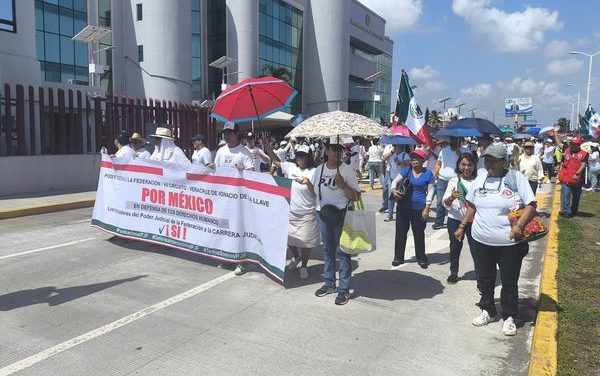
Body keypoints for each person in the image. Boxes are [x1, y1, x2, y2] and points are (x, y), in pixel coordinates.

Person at [455, 144, 537, 336]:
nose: (489, 163)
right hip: (481, 240)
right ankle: (488, 310)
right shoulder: (481, 177)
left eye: (494, 160)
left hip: (509, 243)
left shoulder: (515, 178)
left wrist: (518, 227)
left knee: (509, 280)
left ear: (504, 161)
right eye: (487, 159)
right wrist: (462, 226)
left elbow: (531, 206)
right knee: (485, 278)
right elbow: (472, 205)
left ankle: (509, 316)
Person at [308, 137, 361, 306]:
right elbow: (314, 193)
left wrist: (343, 185)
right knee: (327, 250)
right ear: (327, 150)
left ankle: (343, 289)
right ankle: (330, 283)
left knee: (343, 252)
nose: (338, 152)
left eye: (341, 149)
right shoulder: (319, 170)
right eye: (334, 148)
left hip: (341, 215)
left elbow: (357, 196)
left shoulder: (347, 170)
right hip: (322, 214)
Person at [264, 141, 319, 279]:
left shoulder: (314, 171)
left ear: (309, 157)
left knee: (306, 242)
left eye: (303, 155)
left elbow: (316, 194)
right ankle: (296, 257)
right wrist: (267, 146)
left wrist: (308, 183)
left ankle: (304, 266)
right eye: (298, 155)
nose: (300, 158)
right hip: (290, 210)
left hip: (307, 212)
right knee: (287, 237)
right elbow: (276, 161)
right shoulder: (290, 167)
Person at [213, 122, 254, 275]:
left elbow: (253, 175)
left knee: (240, 230)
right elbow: (216, 171)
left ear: (237, 133)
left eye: (230, 133)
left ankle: (242, 261)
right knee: (226, 228)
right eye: (225, 133)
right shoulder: (221, 151)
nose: (227, 136)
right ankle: (228, 258)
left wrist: (245, 171)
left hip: (240, 199)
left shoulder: (244, 153)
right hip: (224, 197)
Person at [390, 149, 435, 268]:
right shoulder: (406, 171)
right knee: (400, 233)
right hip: (403, 207)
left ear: (423, 160)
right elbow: (394, 181)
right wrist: (393, 190)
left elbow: (430, 192)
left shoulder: (428, 174)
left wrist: (427, 207)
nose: (414, 160)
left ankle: (421, 258)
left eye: (417, 158)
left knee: (419, 234)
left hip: (419, 208)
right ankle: (398, 257)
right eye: (412, 158)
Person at [442, 153, 478, 285]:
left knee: (476, 250)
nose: (466, 168)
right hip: (455, 220)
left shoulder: (478, 182)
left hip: (473, 221)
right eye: (463, 164)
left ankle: (480, 276)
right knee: (455, 248)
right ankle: (453, 273)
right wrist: (451, 198)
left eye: (470, 165)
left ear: (474, 166)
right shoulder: (453, 181)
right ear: (458, 165)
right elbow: (445, 203)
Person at [554, 125, 588, 217]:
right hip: (566, 178)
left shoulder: (584, 153)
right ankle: (566, 211)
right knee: (566, 195)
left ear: (578, 145)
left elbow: (583, 164)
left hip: (577, 179)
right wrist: (556, 132)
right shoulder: (567, 149)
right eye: (572, 143)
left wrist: (577, 173)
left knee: (576, 197)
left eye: (574, 144)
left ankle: (574, 210)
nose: (572, 145)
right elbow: (558, 142)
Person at [432, 137, 459, 229]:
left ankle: (455, 222)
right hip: (442, 179)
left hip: (455, 180)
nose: (453, 142)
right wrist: (433, 176)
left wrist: (459, 153)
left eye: (455, 140)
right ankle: (439, 221)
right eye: (452, 140)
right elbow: (438, 164)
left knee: (455, 202)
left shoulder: (464, 151)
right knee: (440, 201)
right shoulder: (443, 151)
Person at [384, 145, 410, 222]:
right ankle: (390, 215)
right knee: (390, 196)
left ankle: (402, 214)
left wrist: (399, 163)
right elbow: (384, 158)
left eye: (398, 146)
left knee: (400, 197)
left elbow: (408, 167)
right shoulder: (393, 154)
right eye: (395, 146)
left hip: (401, 179)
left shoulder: (405, 155)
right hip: (391, 178)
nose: (396, 147)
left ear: (402, 147)